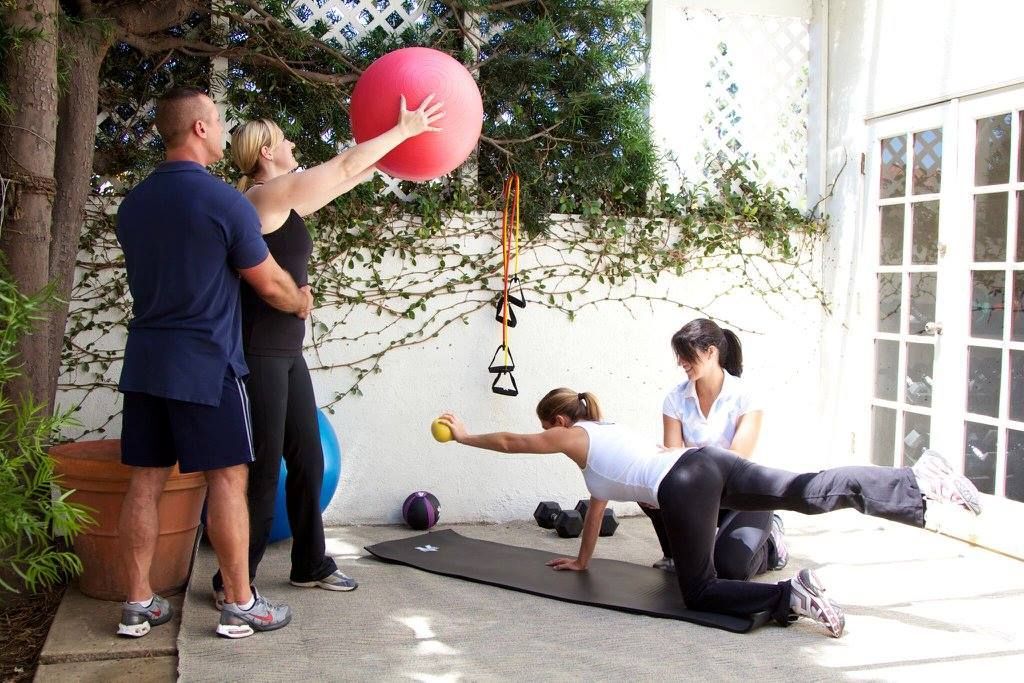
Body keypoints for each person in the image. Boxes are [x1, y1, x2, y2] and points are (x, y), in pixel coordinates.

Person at [436, 388, 982, 638]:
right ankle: (918, 481)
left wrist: (463, 438)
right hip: (709, 463)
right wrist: (582, 562)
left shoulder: (572, 437)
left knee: (700, 590)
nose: (546, 434)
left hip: (688, 481)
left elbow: (512, 442)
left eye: (546, 425)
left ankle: (790, 595)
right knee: (806, 489)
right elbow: (598, 510)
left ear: (557, 419)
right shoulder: (604, 438)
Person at [209, 94, 445, 605]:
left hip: (285, 351)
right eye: (286, 139)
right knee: (266, 465)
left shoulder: (284, 202)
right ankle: (234, 582)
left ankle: (309, 563)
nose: (294, 144)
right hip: (260, 352)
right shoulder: (260, 199)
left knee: (309, 459)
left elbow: (345, 175)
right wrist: (403, 129)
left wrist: (395, 151)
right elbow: (340, 163)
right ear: (267, 151)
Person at [115, 88, 311, 639]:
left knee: (145, 483)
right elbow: (270, 283)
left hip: (148, 360)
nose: (225, 131)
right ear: (199, 129)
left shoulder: (133, 205)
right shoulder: (225, 201)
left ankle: (137, 604)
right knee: (228, 478)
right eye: (220, 121)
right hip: (208, 362)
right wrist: (299, 300)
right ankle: (240, 603)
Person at [642, 319, 787, 579]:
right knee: (652, 482)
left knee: (730, 569)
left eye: (686, 355)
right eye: (679, 355)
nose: (680, 362)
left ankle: (772, 545)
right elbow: (671, 462)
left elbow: (735, 461)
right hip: (702, 491)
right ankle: (676, 555)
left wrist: (686, 459)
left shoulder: (746, 396)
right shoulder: (675, 399)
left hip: (744, 492)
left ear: (711, 352)